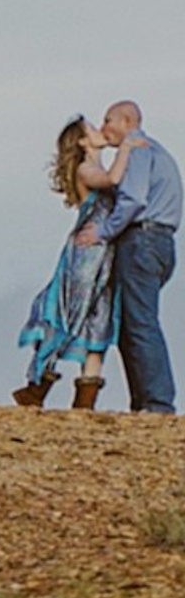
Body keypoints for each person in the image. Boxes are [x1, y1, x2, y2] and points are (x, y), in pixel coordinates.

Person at [72, 99, 183, 415]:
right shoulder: (156, 151)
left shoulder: (138, 150)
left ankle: (157, 403)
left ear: (127, 121)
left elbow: (133, 200)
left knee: (140, 323)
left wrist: (103, 231)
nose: (104, 126)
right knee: (131, 323)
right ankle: (145, 402)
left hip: (142, 240)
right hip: (160, 243)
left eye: (108, 120)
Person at [16, 116, 130, 407]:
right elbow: (112, 180)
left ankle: (85, 399)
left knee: (99, 318)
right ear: (81, 141)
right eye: (92, 128)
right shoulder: (86, 169)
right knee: (74, 313)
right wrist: (127, 148)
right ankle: (37, 383)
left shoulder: (95, 166)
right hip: (87, 256)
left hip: (103, 255)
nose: (99, 130)